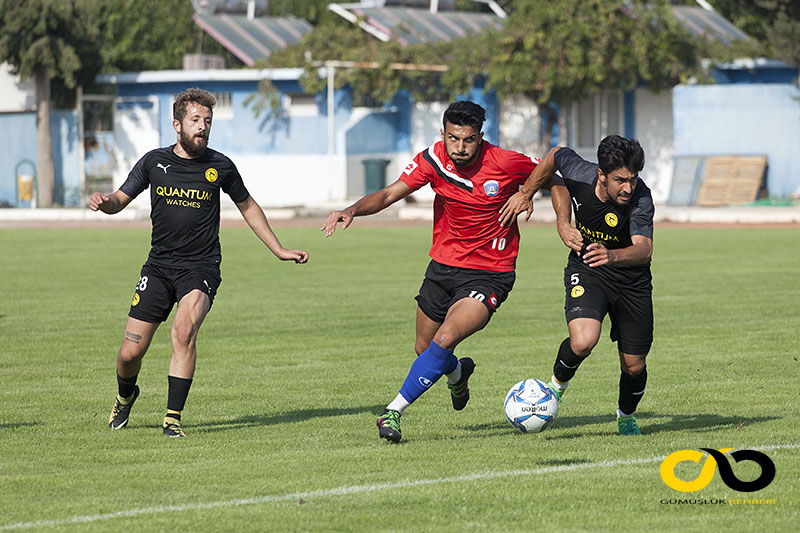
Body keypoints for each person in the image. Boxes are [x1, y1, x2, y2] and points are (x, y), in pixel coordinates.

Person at [322, 100, 566, 443]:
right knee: (426, 350)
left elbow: (554, 167)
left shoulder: (505, 162)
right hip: (442, 268)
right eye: (454, 139)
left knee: (446, 338)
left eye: (468, 140)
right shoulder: (434, 159)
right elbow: (391, 192)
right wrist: (352, 210)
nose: (461, 147)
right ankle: (458, 372)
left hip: (490, 273)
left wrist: (531, 197)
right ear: (443, 134)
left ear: (480, 137)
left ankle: (392, 411)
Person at [90, 88, 309, 437]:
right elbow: (120, 198)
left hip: (201, 267)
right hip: (159, 267)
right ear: (177, 124)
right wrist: (105, 203)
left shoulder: (220, 166)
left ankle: (172, 419)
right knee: (130, 353)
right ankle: (125, 396)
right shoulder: (153, 162)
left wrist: (278, 249)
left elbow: (248, 207)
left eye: (207, 121)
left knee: (184, 331)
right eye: (195, 120)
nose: (202, 127)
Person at [499, 134, 654, 435]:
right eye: (620, 180)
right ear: (601, 175)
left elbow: (644, 249)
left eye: (632, 180)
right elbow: (555, 157)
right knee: (583, 340)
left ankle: (625, 415)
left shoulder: (640, 198)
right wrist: (541, 204)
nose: (627, 187)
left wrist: (612, 254)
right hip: (587, 271)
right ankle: (555, 389)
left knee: (634, 366)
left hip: (632, 281)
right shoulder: (581, 173)